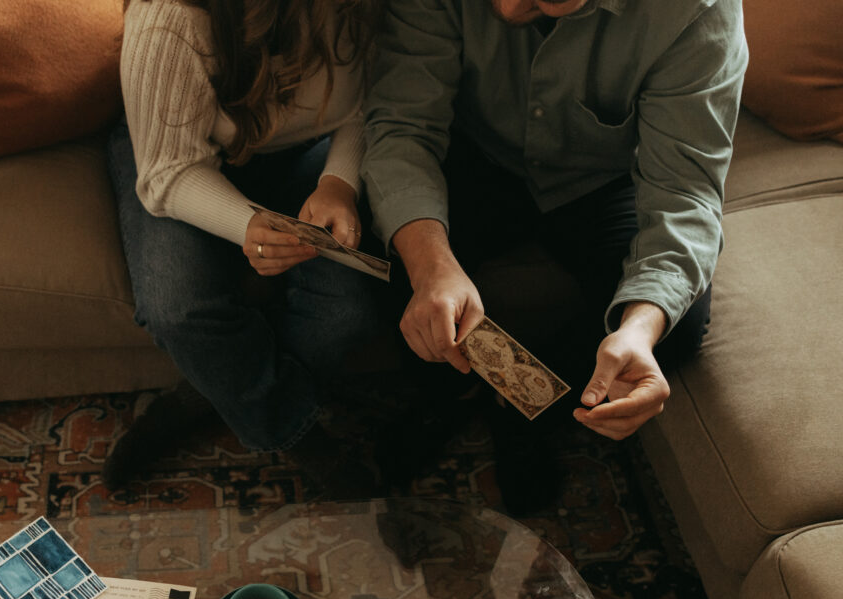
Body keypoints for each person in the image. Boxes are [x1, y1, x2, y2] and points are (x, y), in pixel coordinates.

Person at [362, 0, 748, 509]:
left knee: (676, 322)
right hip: (475, 153)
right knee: (384, 247)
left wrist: (638, 329)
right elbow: (402, 125)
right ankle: (448, 396)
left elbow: (684, 194)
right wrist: (432, 265)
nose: (505, 6)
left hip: (602, 180)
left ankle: (528, 410)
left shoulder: (697, 10)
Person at [104, 0, 385, 491]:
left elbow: (372, 104)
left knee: (345, 315)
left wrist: (339, 182)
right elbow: (168, 171)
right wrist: (245, 224)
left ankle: (204, 393)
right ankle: (296, 434)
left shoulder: (358, 11)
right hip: (182, 153)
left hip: (309, 151)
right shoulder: (170, 17)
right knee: (178, 307)